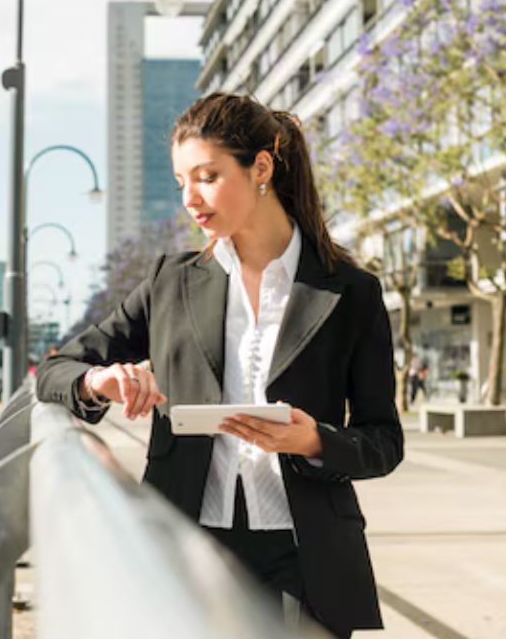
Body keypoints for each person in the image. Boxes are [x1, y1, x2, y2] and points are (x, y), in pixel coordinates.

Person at [38, 93, 403, 638]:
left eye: (207, 176)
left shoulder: (350, 292)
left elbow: (384, 440)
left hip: (307, 556)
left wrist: (315, 442)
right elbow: (57, 369)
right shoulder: (171, 281)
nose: (190, 197)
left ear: (261, 167)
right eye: (183, 180)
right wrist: (101, 380)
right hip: (188, 540)